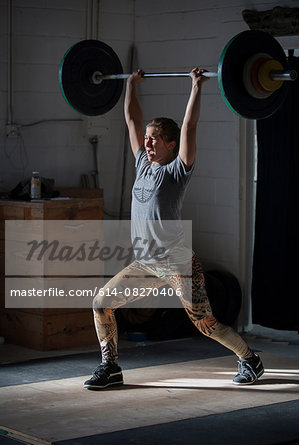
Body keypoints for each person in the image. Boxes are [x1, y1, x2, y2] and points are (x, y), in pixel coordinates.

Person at [84, 68, 264, 390]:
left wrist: (196, 87)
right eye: (147, 139)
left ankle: (249, 359)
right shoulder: (142, 163)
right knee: (101, 303)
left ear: (170, 143)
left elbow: (190, 126)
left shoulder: (177, 171)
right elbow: (130, 120)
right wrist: (130, 86)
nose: (147, 142)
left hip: (177, 262)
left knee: (204, 323)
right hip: (145, 263)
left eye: (154, 139)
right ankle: (110, 368)